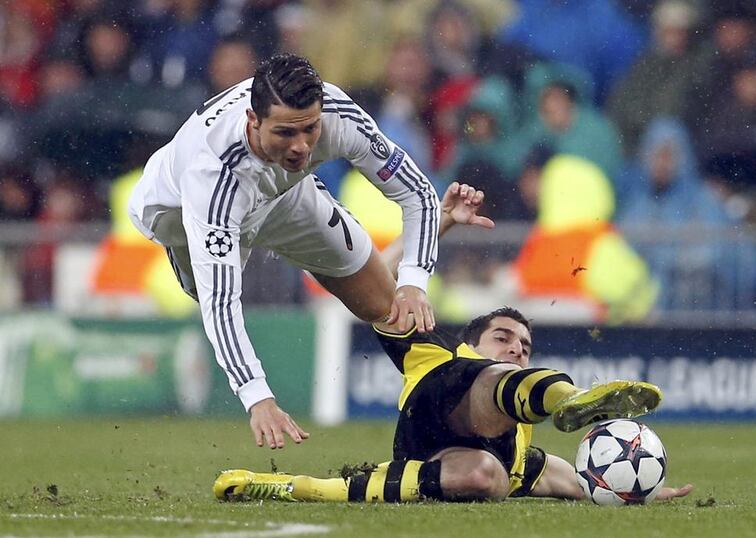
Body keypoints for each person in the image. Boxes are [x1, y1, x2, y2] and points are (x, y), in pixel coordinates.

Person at [213, 184, 690, 503]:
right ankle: (573, 397)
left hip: (458, 458)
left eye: (524, 346)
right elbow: (370, 277)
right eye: (502, 337)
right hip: (442, 401)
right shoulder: (436, 350)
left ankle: (296, 487)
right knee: (495, 381)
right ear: (471, 341)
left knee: (489, 478)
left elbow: (581, 482)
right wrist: (436, 224)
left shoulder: (524, 454)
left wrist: (634, 488)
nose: (516, 348)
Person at [128, 54, 440, 450]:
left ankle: (443, 409)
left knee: (385, 302)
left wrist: (414, 280)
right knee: (208, 289)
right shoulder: (212, 177)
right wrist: (258, 397)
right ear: (252, 121)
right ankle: (187, 252)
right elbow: (222, 304)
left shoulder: (339, 115)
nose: (301, 146)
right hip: (179, 215)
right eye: (285, 133)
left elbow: (419, 194)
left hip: (284, 196)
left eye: (310, 129)